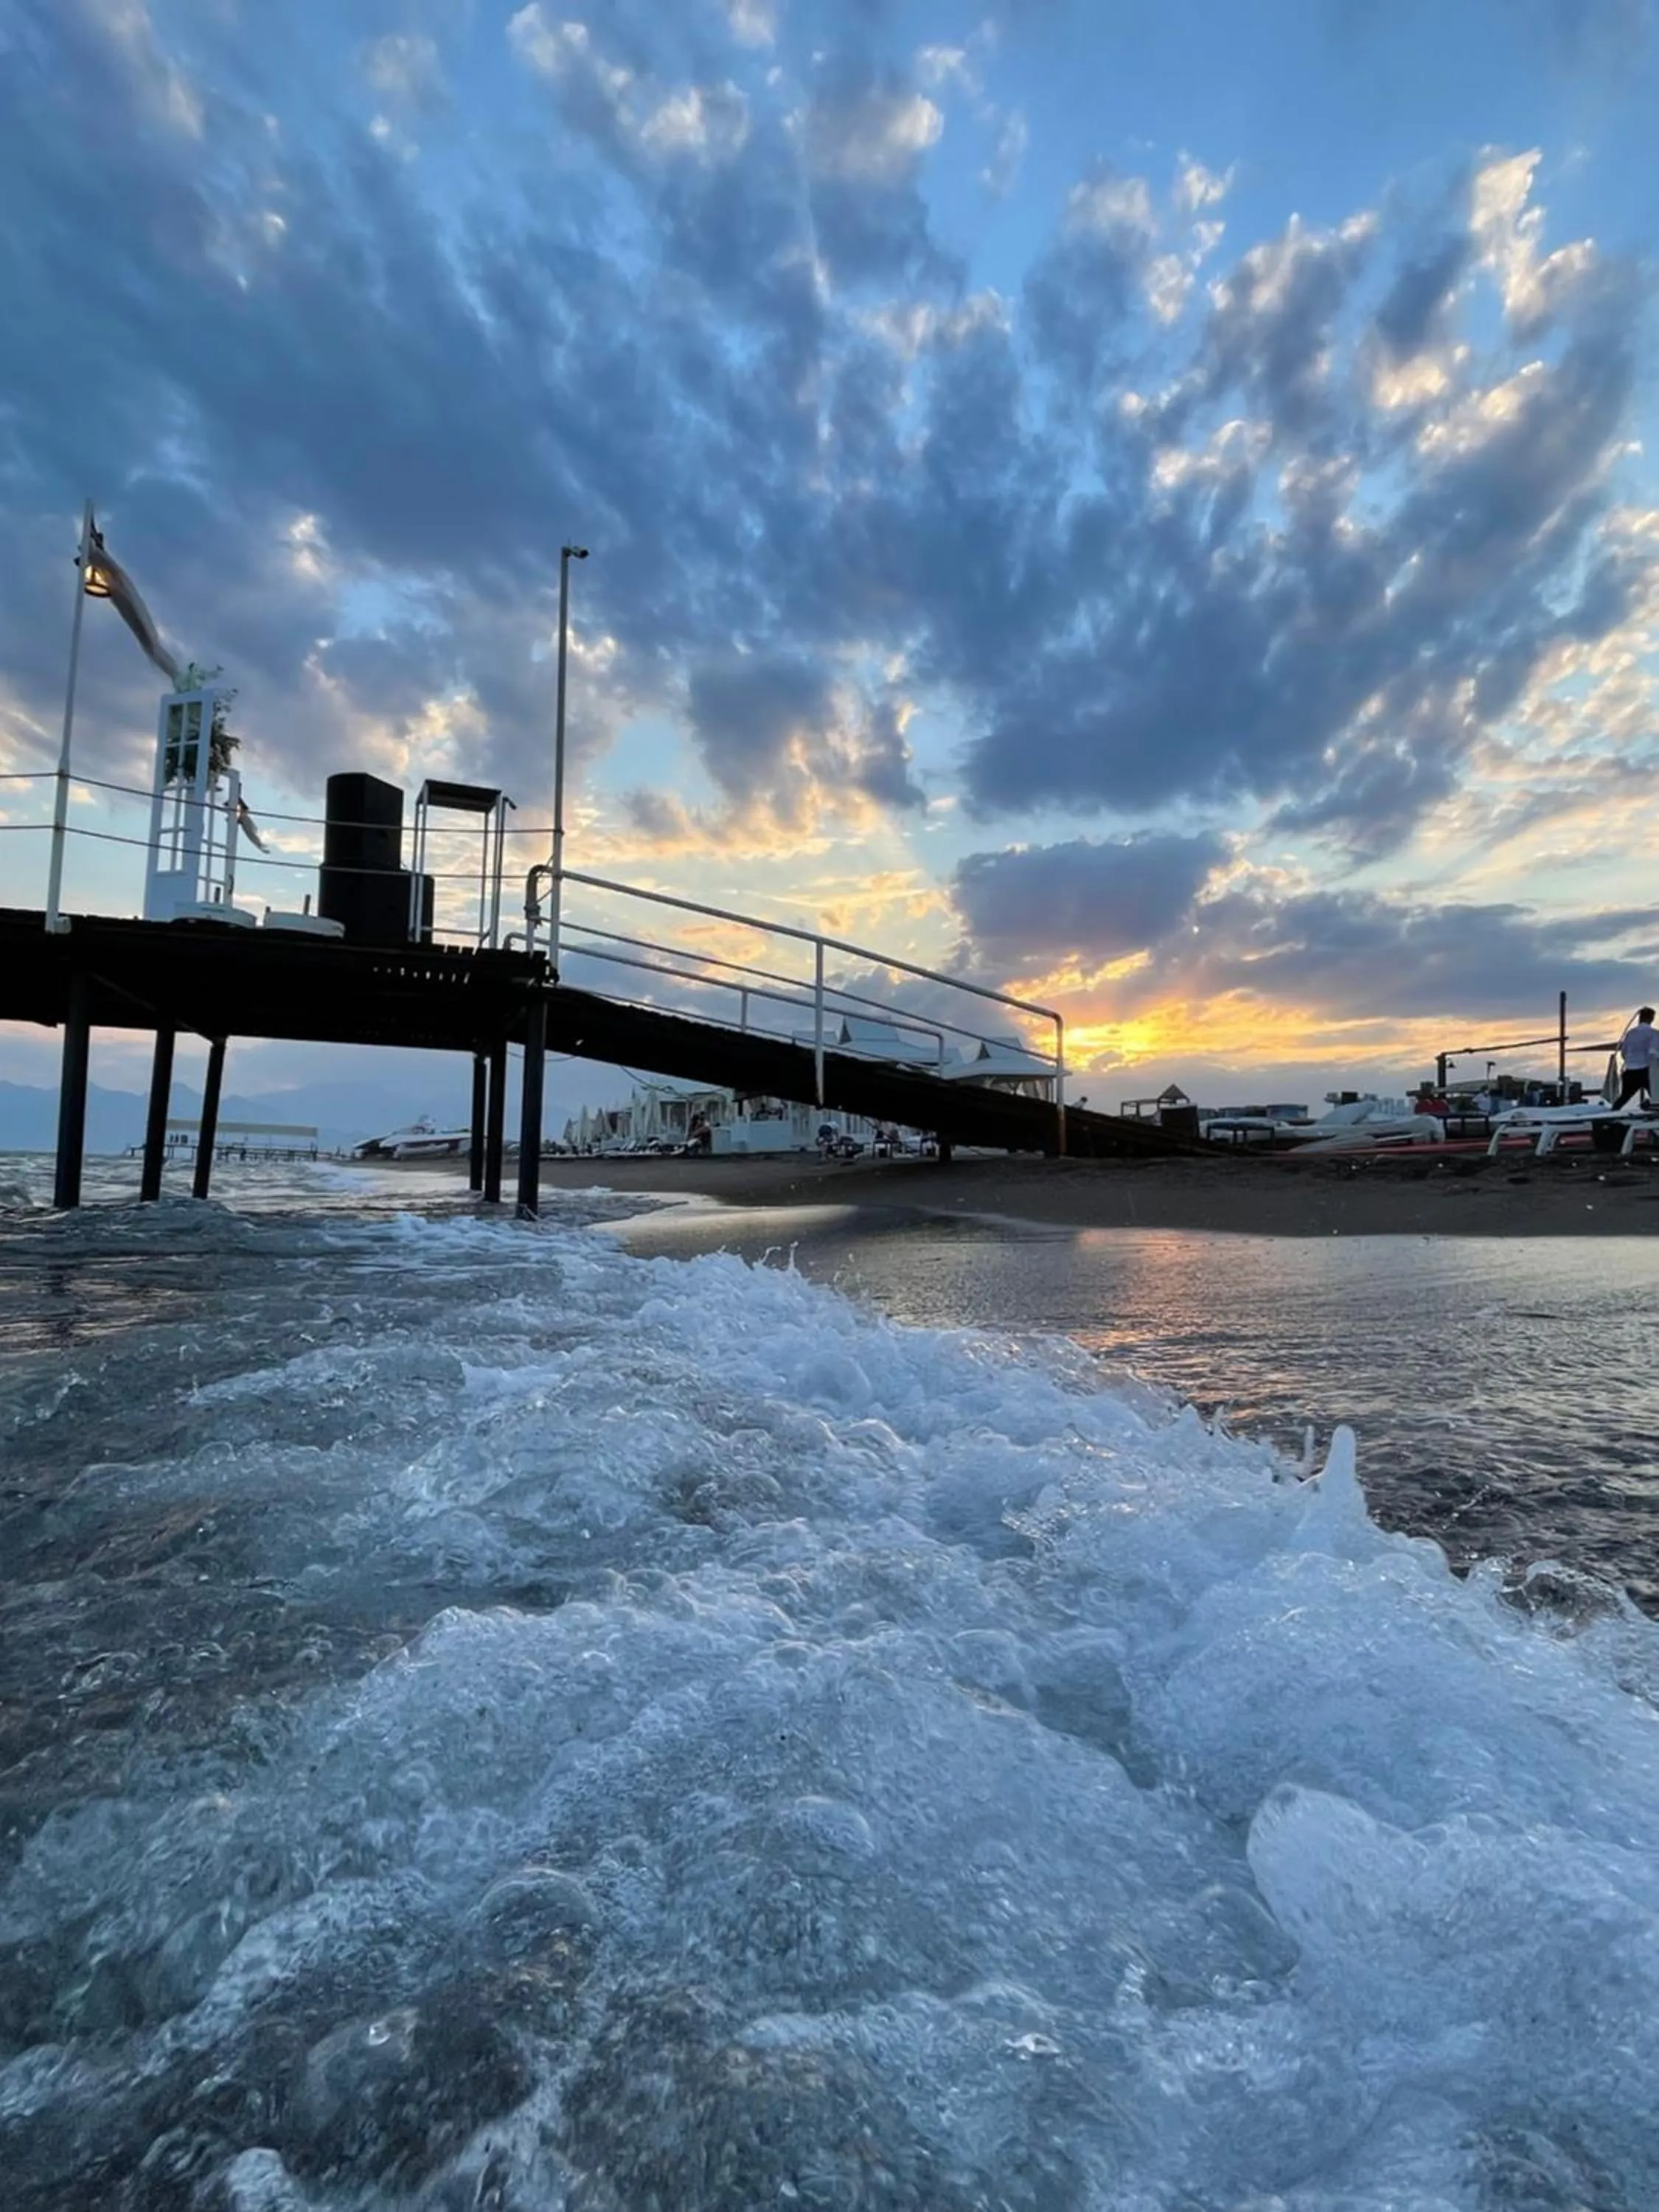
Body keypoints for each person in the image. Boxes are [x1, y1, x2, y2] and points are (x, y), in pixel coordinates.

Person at [1616, 1008, 1658, 1107]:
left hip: (1630, 1070)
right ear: (1651, 1019)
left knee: (1624, 1097)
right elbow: (1653, 1053)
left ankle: (1609, 1116)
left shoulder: (1631, 1033)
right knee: (1657, 1096)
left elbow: (1624, 1052)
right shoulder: (1654, 1034)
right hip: (1645, 1071)